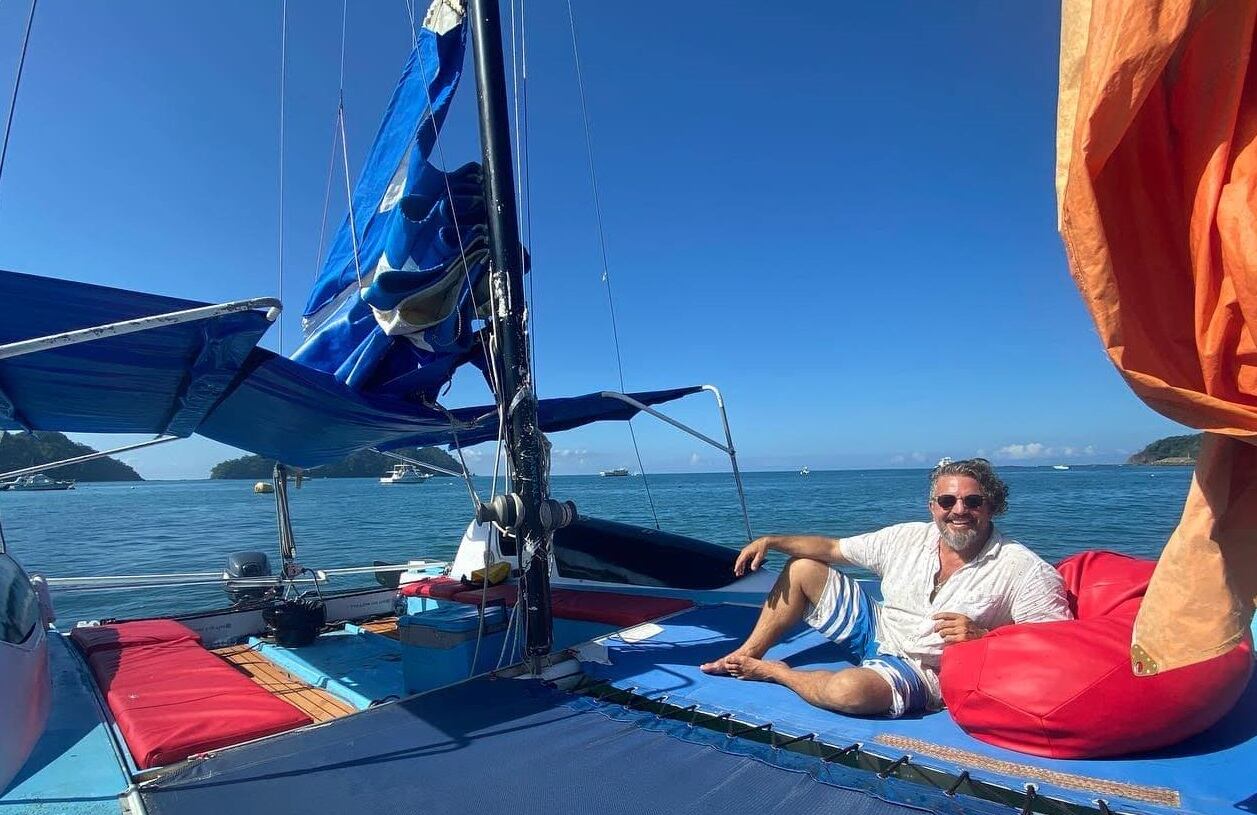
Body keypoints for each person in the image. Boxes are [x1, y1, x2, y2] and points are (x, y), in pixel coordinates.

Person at [700, 458, 1072, 718]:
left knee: (848, 692)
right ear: (932, 507)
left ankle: (775, 671)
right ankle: (745, 654)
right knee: (803, 568)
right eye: (947, 501)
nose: (959, 510)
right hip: (877, 630)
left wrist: (986, 636)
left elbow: (1056, 648)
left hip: (924, 668)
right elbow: (832, 549)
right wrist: (773, 540)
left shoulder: (1024, 569)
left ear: (992, 507)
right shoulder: (906, 538)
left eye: (972, 501)